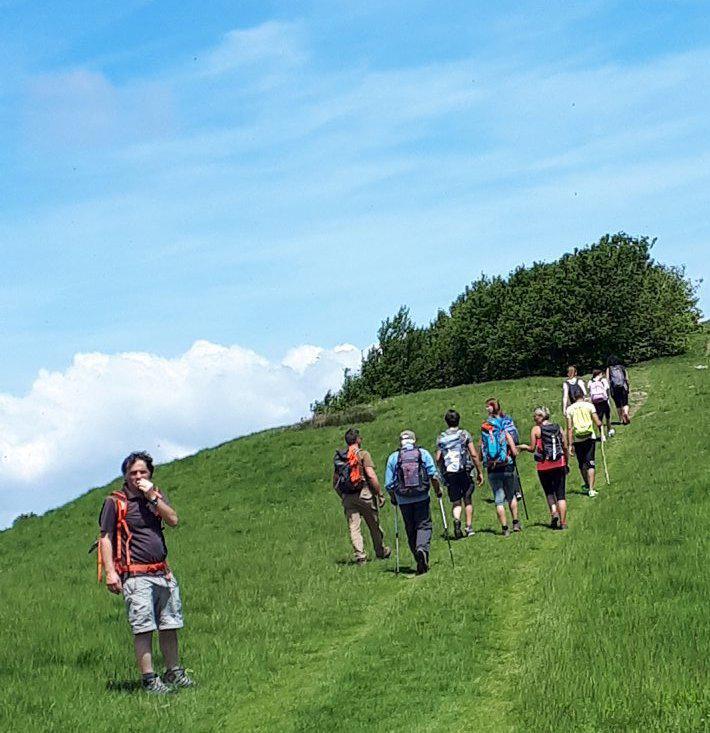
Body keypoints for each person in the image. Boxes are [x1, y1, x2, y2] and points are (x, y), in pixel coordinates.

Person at [98, 451, 193, 695]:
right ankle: (150, 679)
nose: (138, 477)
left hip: (163, 573)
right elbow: (105, 538)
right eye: (132, 473)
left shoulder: (155, 496)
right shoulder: (115, 501)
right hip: (136, 575)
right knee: (143, 627)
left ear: (150, 473)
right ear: (125, 476)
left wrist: (152, 496)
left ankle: (174, 672)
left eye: (142, 472)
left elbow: (173, 520)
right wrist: (110, 572)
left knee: (170, 624)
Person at [385, 430, 442, 575]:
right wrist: (438, 491)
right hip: (422, 496)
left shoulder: (394, 457)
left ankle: (418, 559)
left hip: (403, 499)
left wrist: (393, 498)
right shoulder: (423, 453)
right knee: (424, 524)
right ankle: (422, 549)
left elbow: (389, 484)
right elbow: (433, 475)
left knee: (410, 528)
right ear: (414, 440)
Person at [333, 428, 391, 565]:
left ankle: (360, 556)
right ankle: (380, 551)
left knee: (354, 527)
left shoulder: (340, 458)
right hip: (364, 494)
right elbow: (371, 475)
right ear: (358, 440)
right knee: (374, 525)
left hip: (348, 497)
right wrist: (379, 493)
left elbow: (335, 482)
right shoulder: (363, 454)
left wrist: (343, 496)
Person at [435, 409, 484, 539]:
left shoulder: (441, 438)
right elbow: (473, 454)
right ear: (458, 420)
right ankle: (468, 527)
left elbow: (438, 458)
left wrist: (442, 472)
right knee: (467, 499)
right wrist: (479, 471)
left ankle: (457, 520)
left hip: (450, 473)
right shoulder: (464, 434)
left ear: (446, 422)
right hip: (464, 471)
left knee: (456, 502)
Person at [518, 407, 569, 529]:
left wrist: (522, 447)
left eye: (535, 416)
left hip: (543, 466)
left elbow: (531, 448)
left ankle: (553, 512)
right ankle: (563, 523)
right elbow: (565, 446)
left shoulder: (536, 429)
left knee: (549, 492)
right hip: (559, 463)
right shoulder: (558, 427)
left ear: (540, 417)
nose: (534, 418)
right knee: (561, 495)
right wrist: (566, 462)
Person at [481, 399, 521, 537]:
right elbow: (514, 450)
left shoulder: (485, 430)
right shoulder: (504, 427)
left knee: (499, 500)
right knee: (511, 496)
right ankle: (515, 523)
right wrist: (513, 452)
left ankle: (505, 528)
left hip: (492, 468)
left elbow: (482, 452)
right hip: (507, 465)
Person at [566, 389, 604, 497]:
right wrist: (600, 426)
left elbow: (569, 428)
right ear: (582, 395)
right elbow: (597, 422)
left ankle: (587, 485)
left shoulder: (570, 409)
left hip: (578, 439)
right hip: (589, 437)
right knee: (590, 462)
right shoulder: (589, 406)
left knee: (582, 463)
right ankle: (591, 489)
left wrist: (570, 444)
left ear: (573, 397)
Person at [588, 368, 614, 437]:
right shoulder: (603, 380)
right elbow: (607, 390)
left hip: (596, 403)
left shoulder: (590, 382)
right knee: (607, 417)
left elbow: (590, 393)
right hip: (604, 401)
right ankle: (609, 430)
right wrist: (608, 398)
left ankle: (602, 435)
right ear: (600, 374)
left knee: (599, 419)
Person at [607, 355, 631, 425]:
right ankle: (626, 413)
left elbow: (608, 380)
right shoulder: (622, 367)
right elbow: (627, 378)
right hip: (623, 387)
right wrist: (627, 386)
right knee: (625, 402)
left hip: (614, 389)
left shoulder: (609, 369)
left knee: (618, 404)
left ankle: (621, 419)